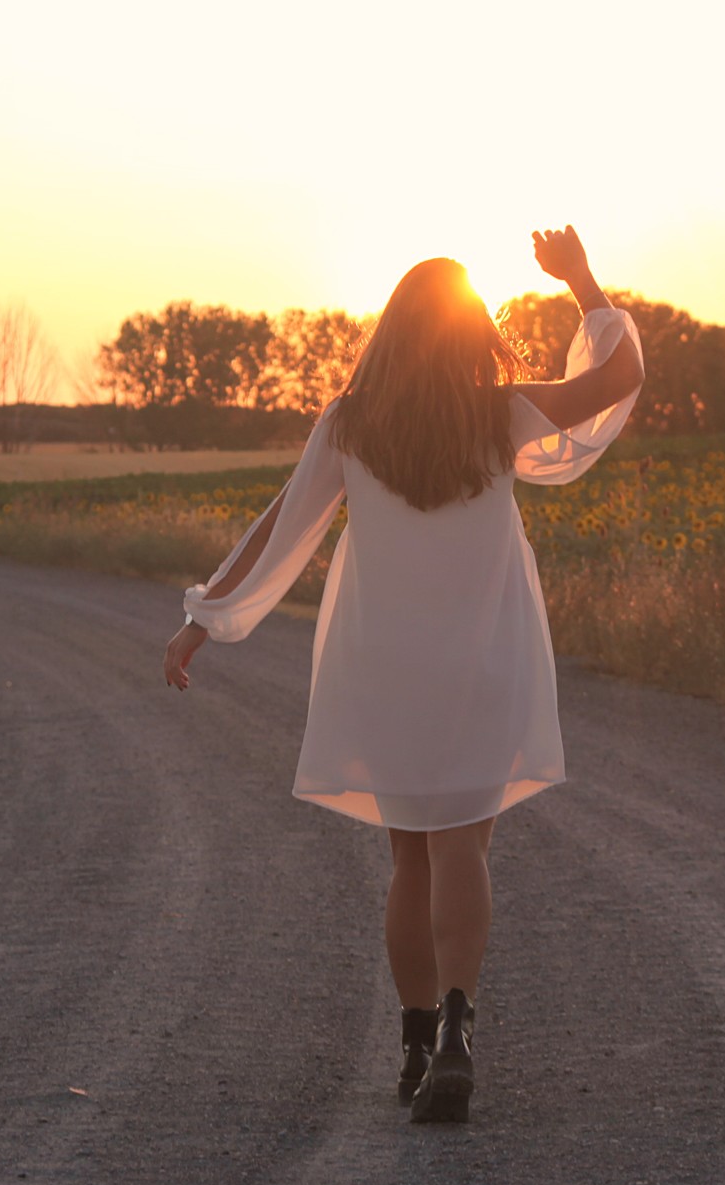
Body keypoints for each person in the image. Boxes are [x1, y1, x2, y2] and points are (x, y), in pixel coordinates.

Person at [161, 226, 645, 1124]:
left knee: (407, 855)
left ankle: (417, 1042)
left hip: (383, 660)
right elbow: (617, 382)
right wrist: (581, 281)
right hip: (484, 653)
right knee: (465, 841)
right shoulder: (499, 413)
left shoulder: (350, 421)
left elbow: (285, 527)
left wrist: (205, 618)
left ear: (390, 331)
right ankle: (460, 1028)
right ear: (470, 335)